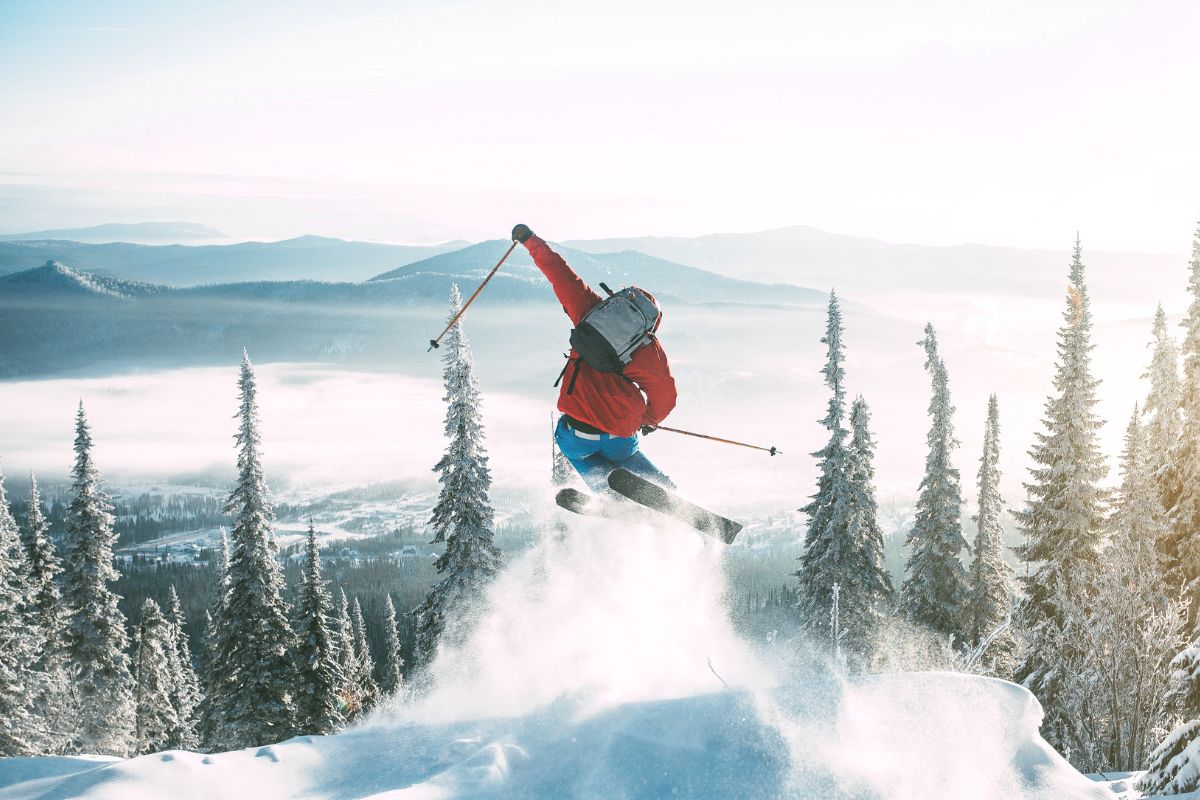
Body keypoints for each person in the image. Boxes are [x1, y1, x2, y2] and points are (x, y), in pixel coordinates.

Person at [512, 223, 677, 493]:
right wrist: (649, 419)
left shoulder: (589, 310)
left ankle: (606, 494)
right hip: (621, 431)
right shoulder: (649, 349)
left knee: (577, 452)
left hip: (579, 432)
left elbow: (560, 273)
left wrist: (529, 240)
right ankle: (669, 492)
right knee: (628, 457)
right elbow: (665, 394)